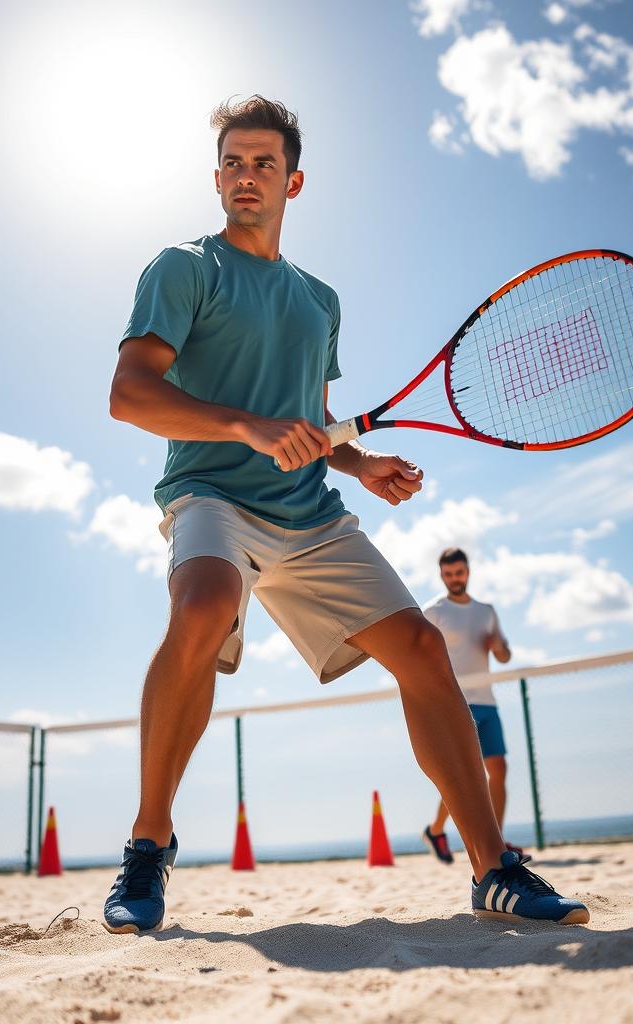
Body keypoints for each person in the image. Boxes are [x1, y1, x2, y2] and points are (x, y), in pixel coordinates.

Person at [104, 95, 589, 931]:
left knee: (422, 648)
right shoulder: (184, 268)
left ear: (295, 179)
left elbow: (314, 422)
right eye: (232, 162)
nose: (245, 176)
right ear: (215, 176)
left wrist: (359, 464)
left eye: (263, 162)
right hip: (210, 495)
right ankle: (148, 845)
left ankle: (493, 868)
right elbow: (129, 394)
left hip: (310, 511)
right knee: (204, 606)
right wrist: (243, 427)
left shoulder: (319, 299)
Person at [421, 548, 517, 865]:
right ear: (441, 575)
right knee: (464, 776)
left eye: (459, 572)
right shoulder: (434, 611)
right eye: (448, 574)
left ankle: (496, 843)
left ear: (468, 571)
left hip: (487, 703)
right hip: (456, 704)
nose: (454, 579)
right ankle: (436, 830)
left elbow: (504, 656)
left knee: (498, 771)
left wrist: (498, 646)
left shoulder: (486, 611)